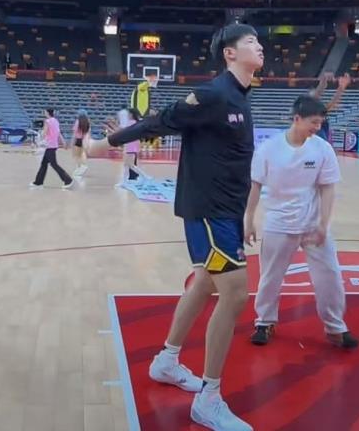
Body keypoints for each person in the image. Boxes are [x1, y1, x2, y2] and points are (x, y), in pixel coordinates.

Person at [98, 23, 264, 431]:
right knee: (235, 293)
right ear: (229, 53)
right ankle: (209, 399)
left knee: (204, 283)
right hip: (209, 210)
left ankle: (167, 361)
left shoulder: (240, 97)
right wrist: (106, 144)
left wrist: (245, 213)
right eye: (251, 42)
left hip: (226, 210)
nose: (260, 46)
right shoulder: (213, 94)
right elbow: (161, 120)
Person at [245, 95, 359, 349]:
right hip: (278, 223)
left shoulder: (322, 149)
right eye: (313, 122)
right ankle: (264, 322)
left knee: (330, 276)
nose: (317, 127)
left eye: (320, 123)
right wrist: (249, 220)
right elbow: (255, 186)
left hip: (312, 224)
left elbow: (328, 188)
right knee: (270, 277)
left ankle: (335, 327)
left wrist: (323, 224)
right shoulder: (268, 149)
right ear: (297, 118)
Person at [30, 108, 74, 189]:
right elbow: (58, 133)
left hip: (49, 145)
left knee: (54, 164)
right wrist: (63, 142)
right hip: (53, 145)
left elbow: (44, 133)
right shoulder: (56, 121)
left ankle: (68, 180)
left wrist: (37, 141)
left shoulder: (47, 121)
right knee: (44, 164)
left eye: (45, 112)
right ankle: (38, 182)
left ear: (47, 113)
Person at [310, 72, 351, 142]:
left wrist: (341, 87)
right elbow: (318, 95)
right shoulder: (310, 107)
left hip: (320, 130)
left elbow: (332, 103)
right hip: (317, 132)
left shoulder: (317, 109)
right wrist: (341, 88)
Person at [117, 108, 151, 186]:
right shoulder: (136, 123)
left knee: (130, 165)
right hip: (132, 144)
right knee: (127, 164)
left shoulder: (130, 123)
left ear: (131, 114)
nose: (127, 115)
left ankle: (145, 176)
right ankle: (124, 182)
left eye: (128, 114)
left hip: (130, 144)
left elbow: (123, 132)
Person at [72, 109, 91, 177]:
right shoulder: (88, 122)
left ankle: (80, 167)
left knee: (76, 155)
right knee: (83, 153)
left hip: (78, 139)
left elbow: (74, 133)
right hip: (85, 139)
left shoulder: (77, 121)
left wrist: (72, 142)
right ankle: (83, 166)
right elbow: (89, 132)